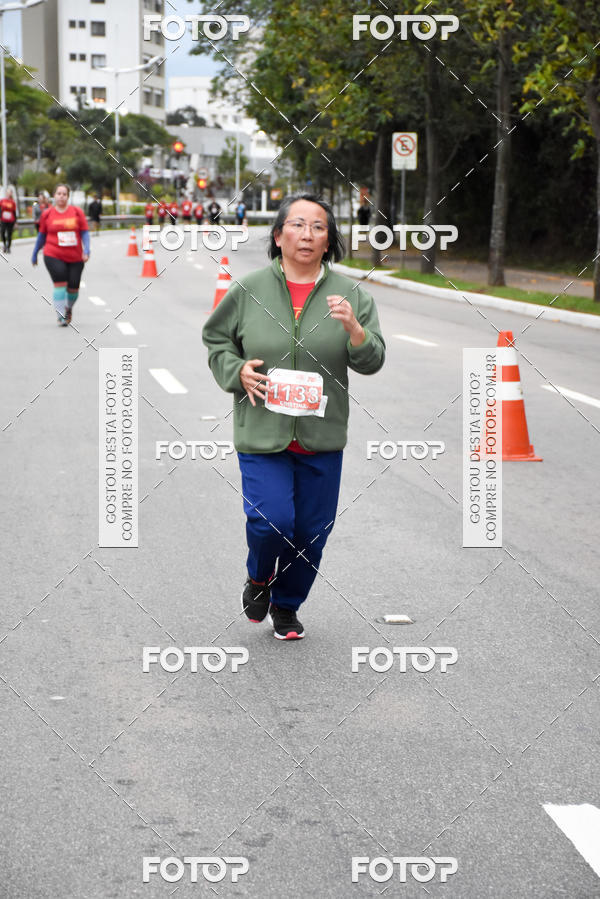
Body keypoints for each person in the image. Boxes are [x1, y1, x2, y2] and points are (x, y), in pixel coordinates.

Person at [202, 194, 385, 640]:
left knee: (311, 533)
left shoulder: (353, 296)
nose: (307, 234)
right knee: (272, 522)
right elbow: (216, 341)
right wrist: (236, 371)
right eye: (298, 225)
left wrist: (356, 332)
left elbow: (372, 359)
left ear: (329, 241)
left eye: (319, 227)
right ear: (279, 235)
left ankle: (286, 606)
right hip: (263, 433)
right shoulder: (247, 291)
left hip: (322, 437)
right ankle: (260, 577)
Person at [31, 183, 89, 326]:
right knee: (60, 283)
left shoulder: (77, 212)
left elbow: (84, 233)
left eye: (64, 194)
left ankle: (68, 308)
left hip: (75, 256)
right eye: (59, 193)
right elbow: (42, 235)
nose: (61, 196)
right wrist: (34, 253)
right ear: (54, 196)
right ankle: (61, 315)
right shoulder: (47, 214)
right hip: (53, 254)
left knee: (73, 288)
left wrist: (87, 250)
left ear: (68, 197)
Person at [1, 187, 17, 254]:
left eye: (9, 192)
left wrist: (16, 221)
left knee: (9, 234)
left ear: (11, 194)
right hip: (3, 219)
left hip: (10, 220)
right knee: (2, 232)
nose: (8, 194)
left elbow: (14, 212)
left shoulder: (12, 202)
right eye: (7, 192)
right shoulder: (2, 201)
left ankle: (8, 247)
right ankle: (4, 245)